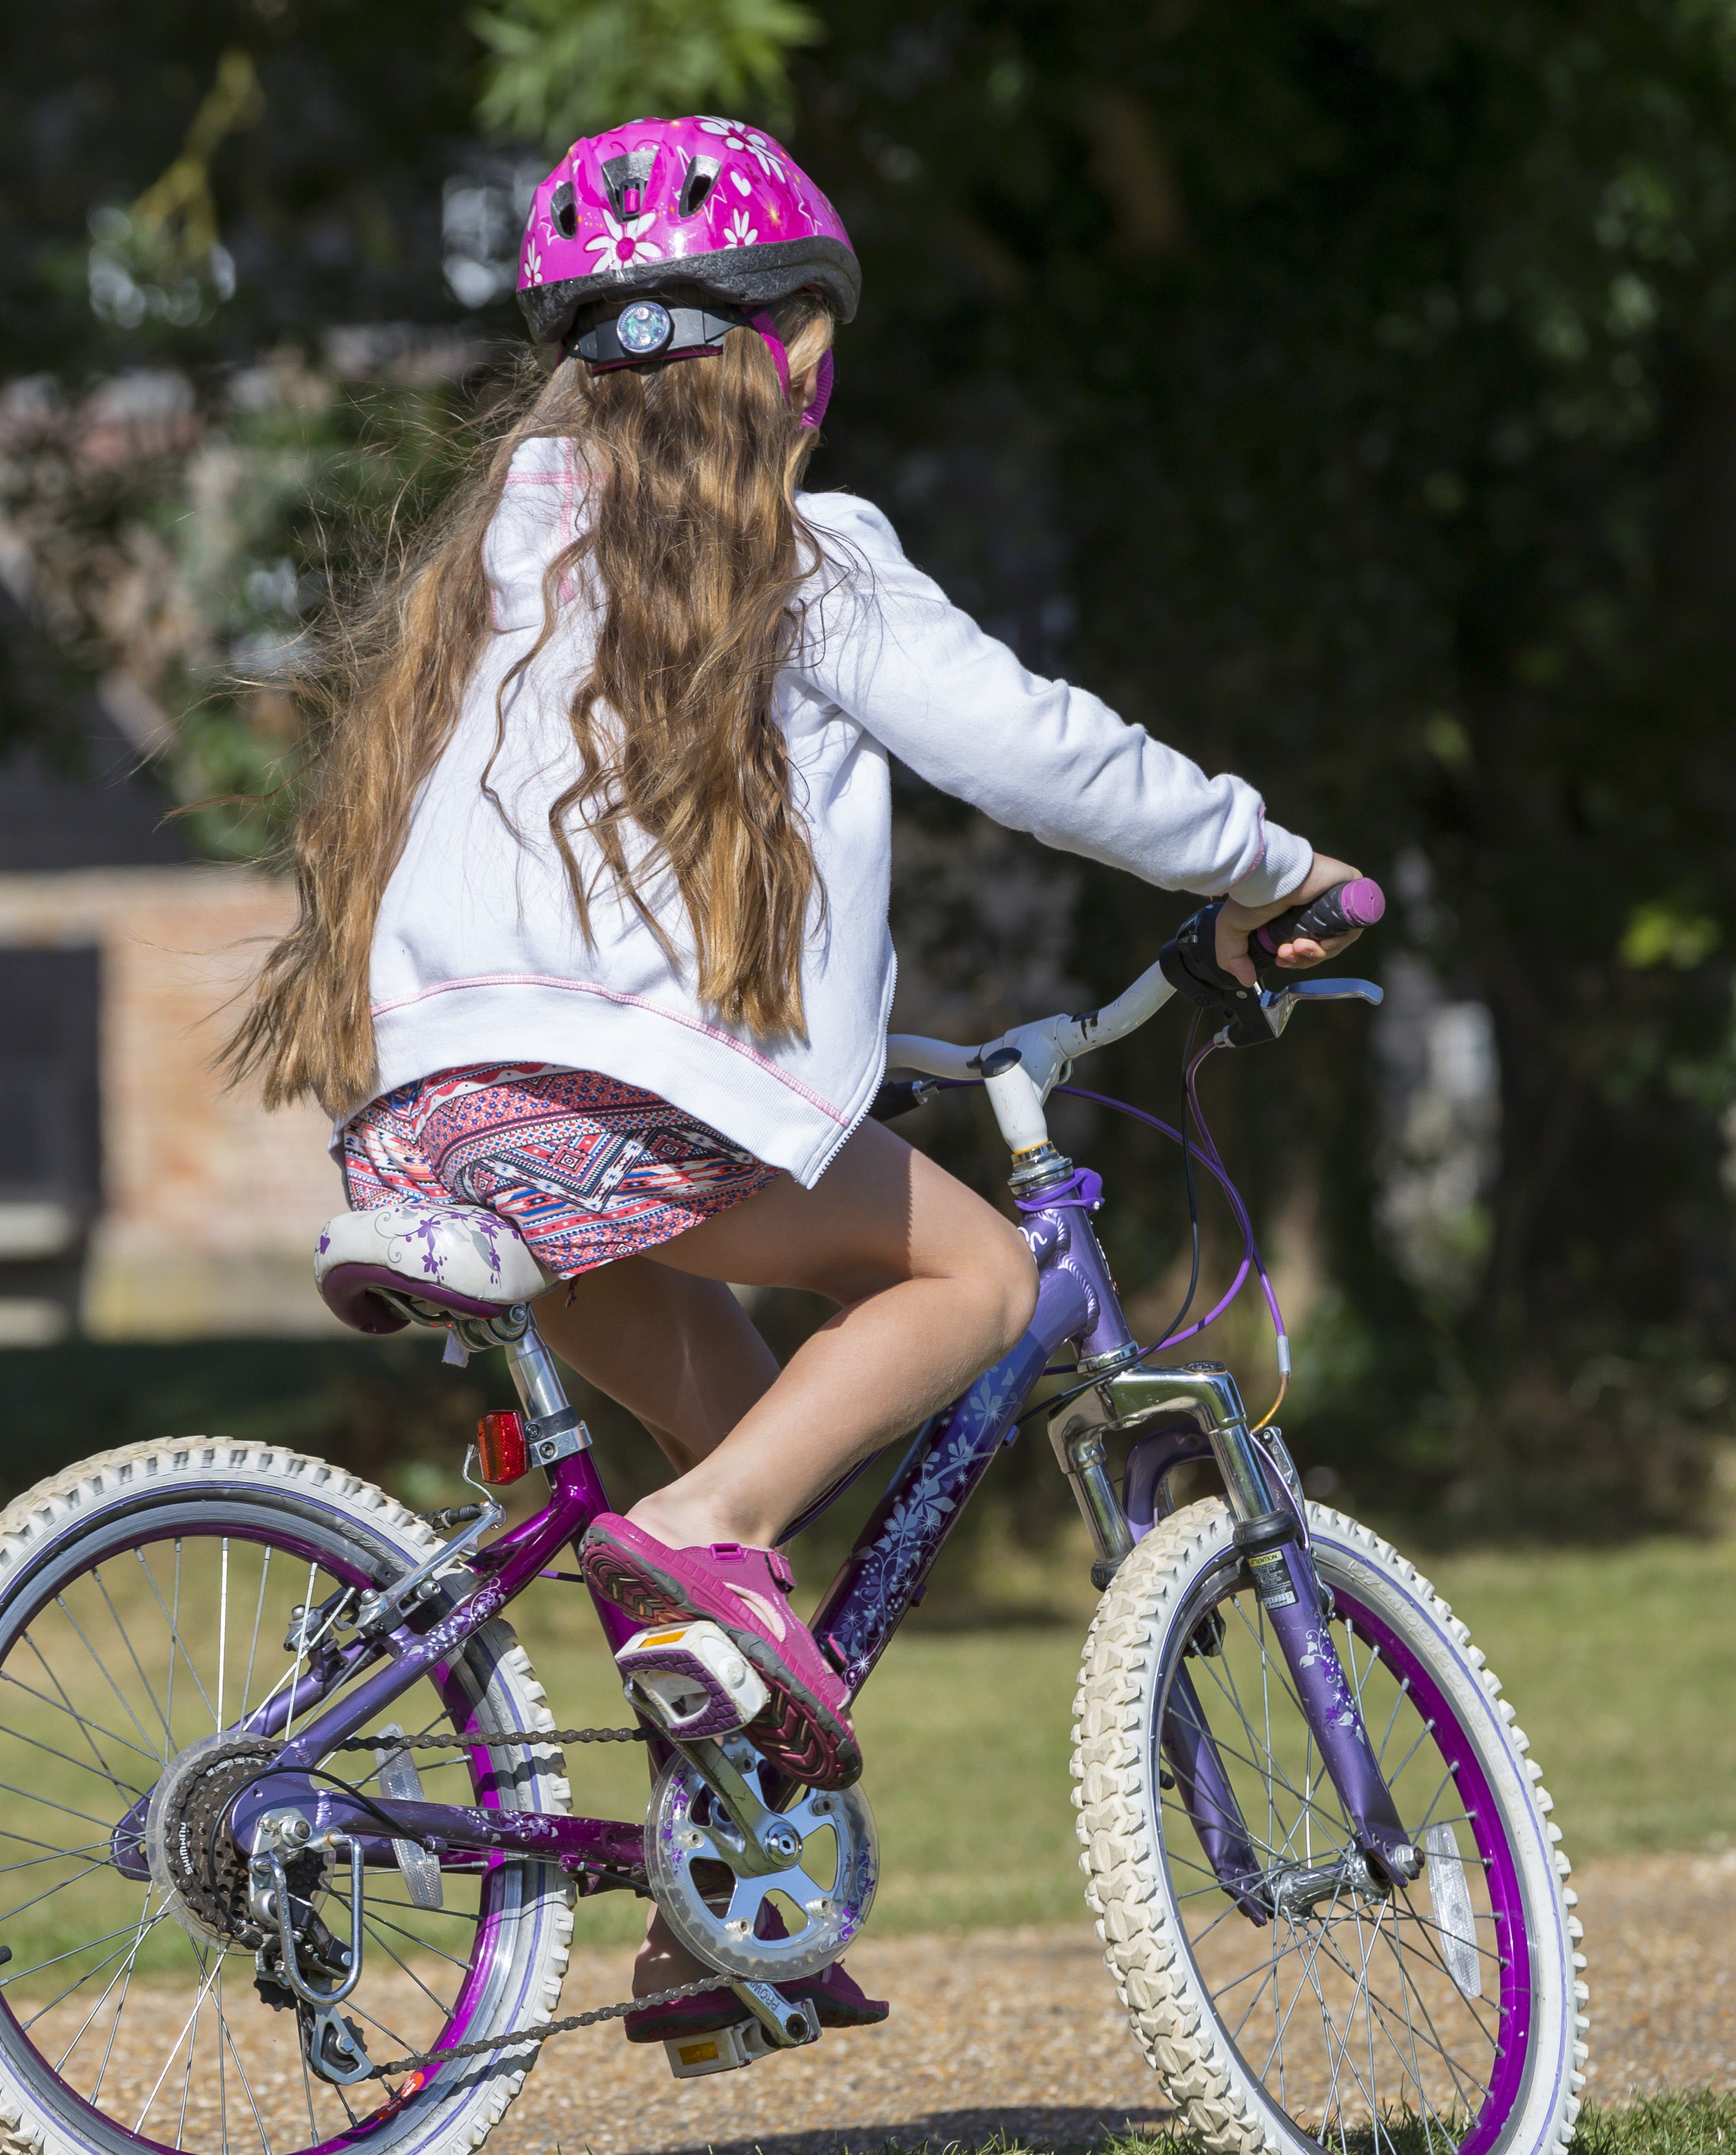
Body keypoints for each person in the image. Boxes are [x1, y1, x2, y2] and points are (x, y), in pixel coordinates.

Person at [223, 113, 1364, 2045]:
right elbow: (1042, 752)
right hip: (634, 1116)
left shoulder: (506, 559)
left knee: (735, 1421)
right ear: (802, 358)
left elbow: (592, 898)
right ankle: (707, 1542)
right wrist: (1272, 864)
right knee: (975, 1281)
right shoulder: (809, 562)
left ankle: (718, 1893)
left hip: (436, 1122)